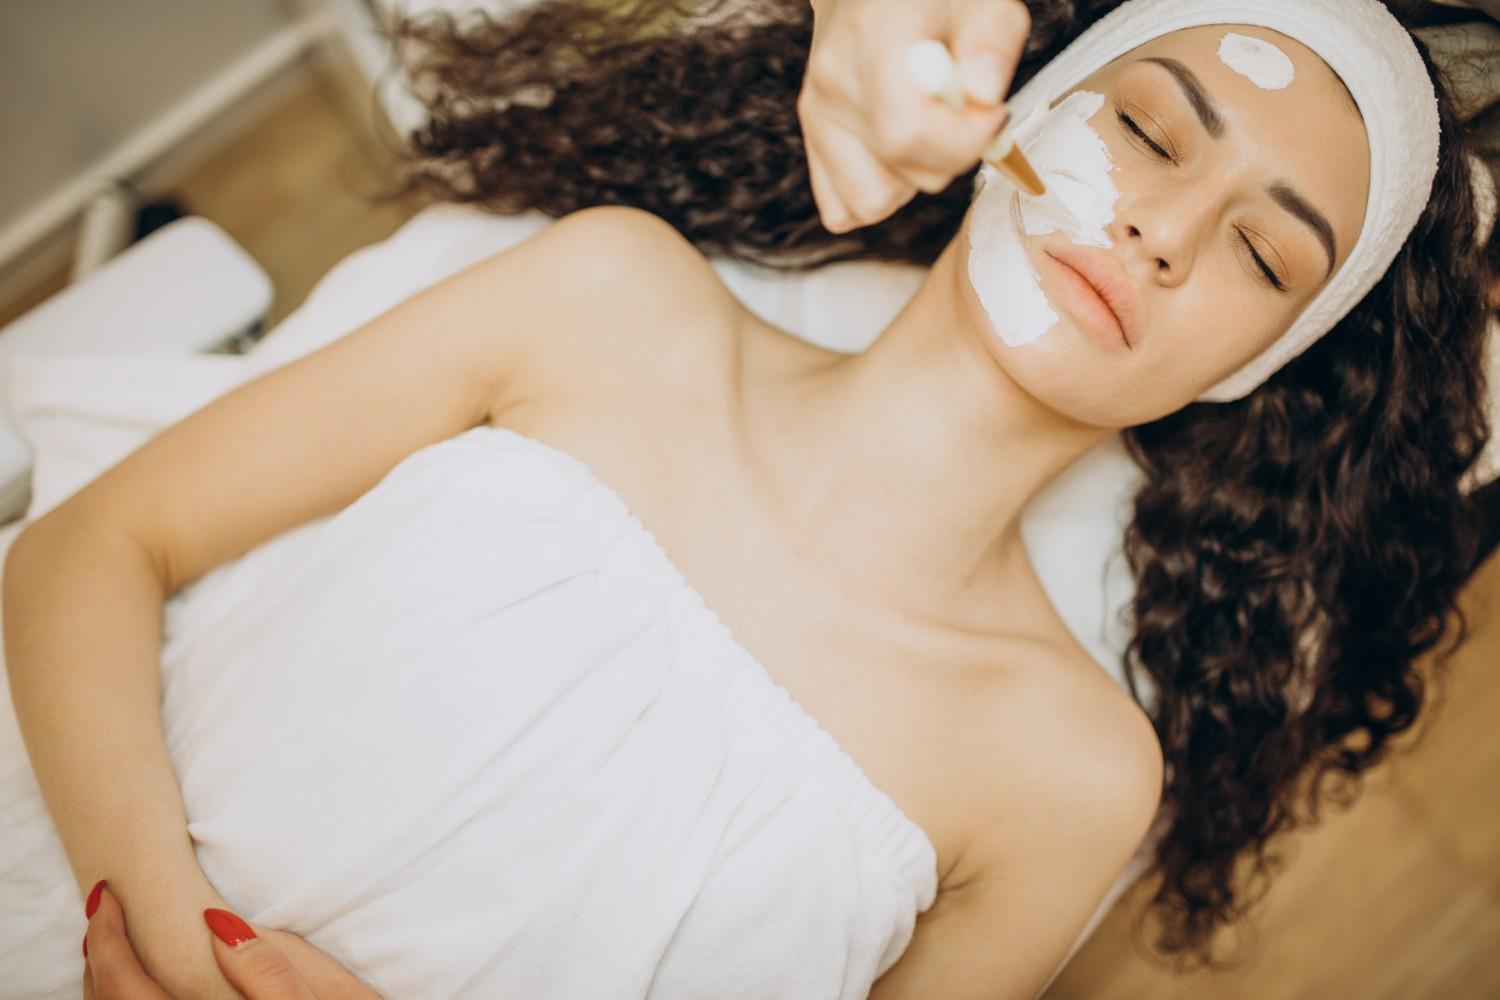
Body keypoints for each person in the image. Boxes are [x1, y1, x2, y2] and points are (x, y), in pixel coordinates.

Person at [6, 1, 1492, 998]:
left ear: (1257, 369)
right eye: (1155, 132)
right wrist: (166, 961)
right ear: (1011, 109)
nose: (1165, 230)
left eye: (1264, 260)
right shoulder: (609, 298)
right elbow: (89, 551)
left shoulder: (1071, 783)